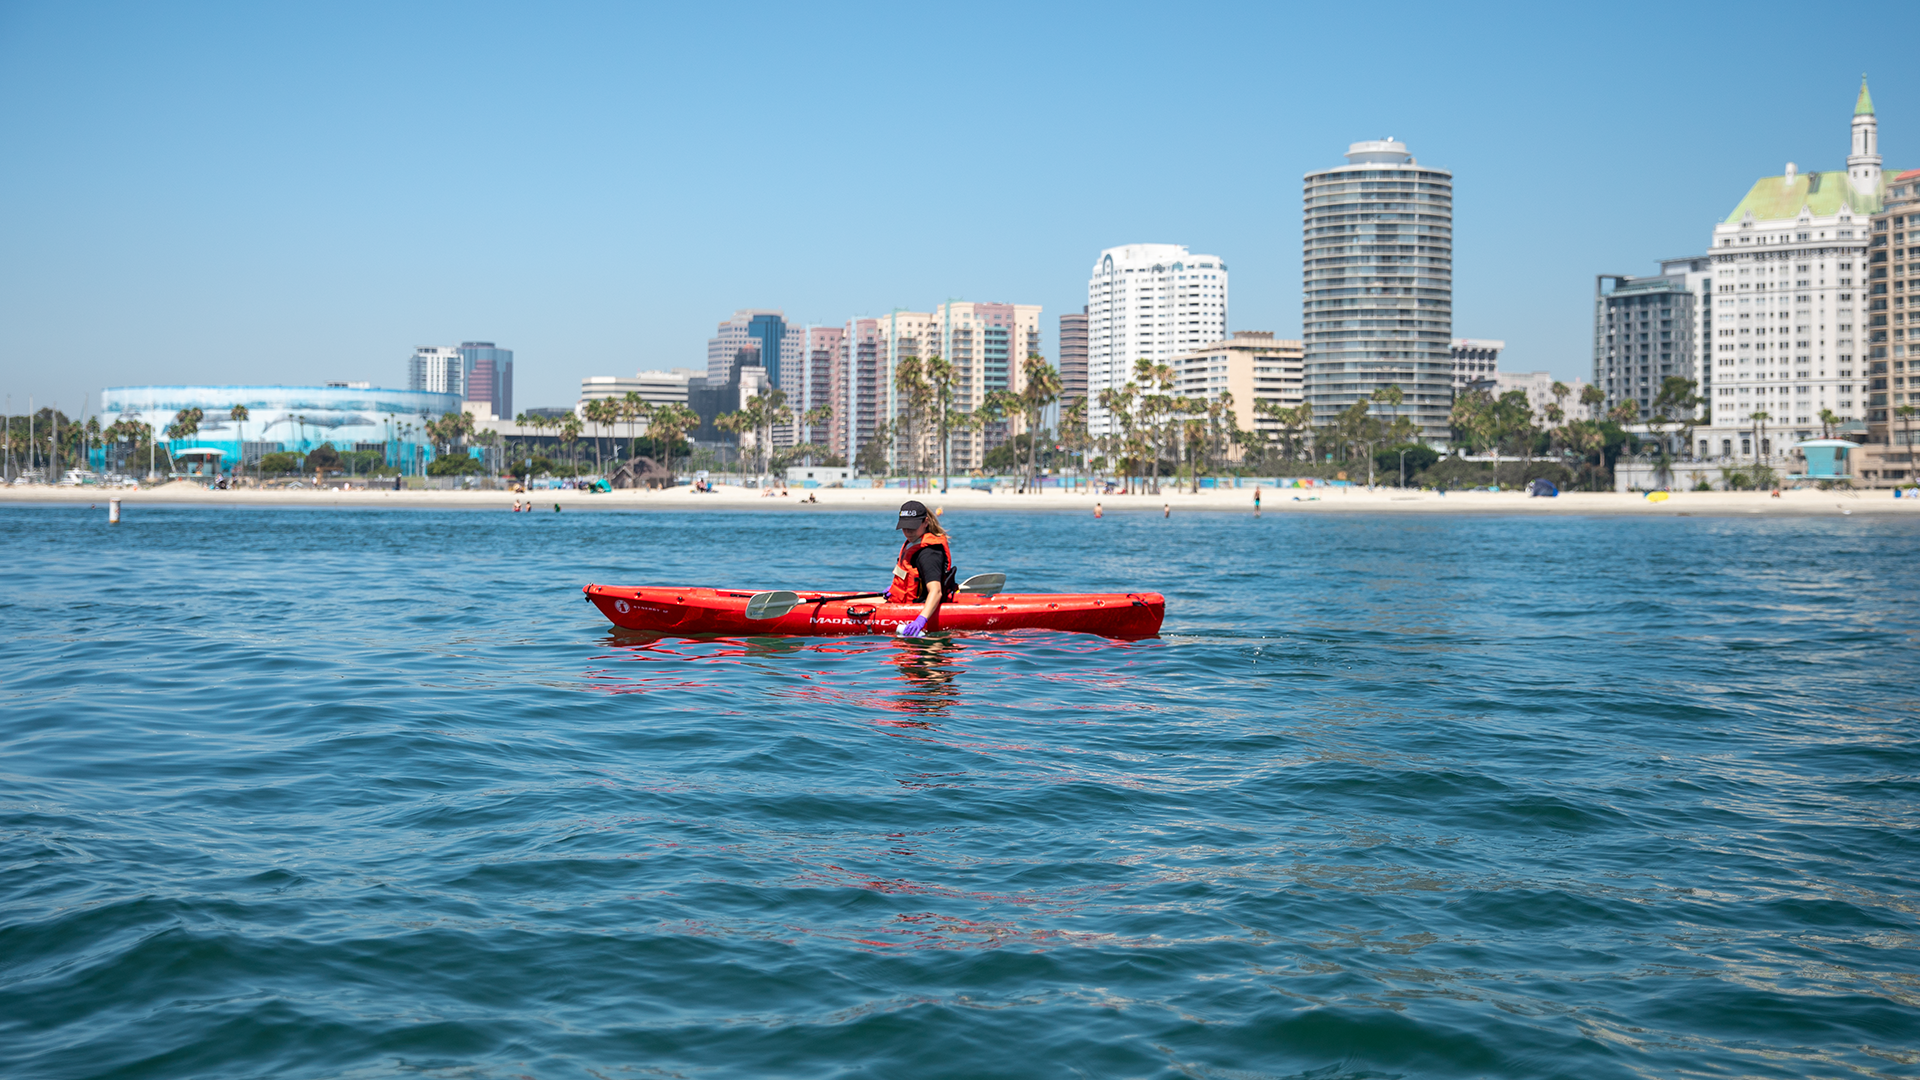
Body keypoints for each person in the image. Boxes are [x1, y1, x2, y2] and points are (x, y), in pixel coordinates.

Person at [888, 500, 957, 638]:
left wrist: (921, 620)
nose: (908, 531)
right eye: (904, 527)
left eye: (912, 527)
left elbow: (936, 591)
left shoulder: (929, 553)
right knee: (859, 596)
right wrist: (893, 591)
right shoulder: (913, 544)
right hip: (903, 601)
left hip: (920, 606)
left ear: (925, 522)